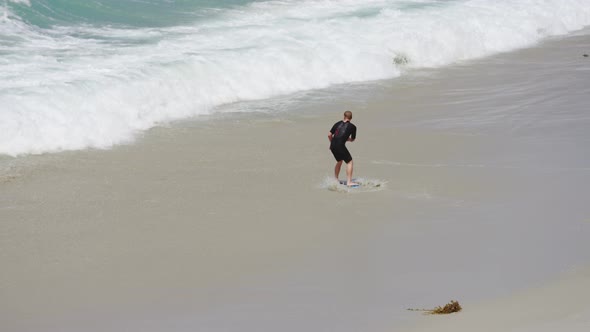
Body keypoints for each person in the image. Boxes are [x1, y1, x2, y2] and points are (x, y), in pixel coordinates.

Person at [328, 110, 357, 186]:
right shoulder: (353, 127)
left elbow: (329, 135)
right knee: (349, 162)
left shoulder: (337, 123)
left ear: (344, 116)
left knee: (339, 161)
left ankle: (336, 180)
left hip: (333, 145)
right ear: (351, 118)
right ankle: (349, 182)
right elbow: (352, 139)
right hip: (340, 145)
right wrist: (347, 139)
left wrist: (331, 143)